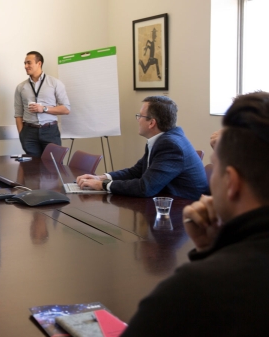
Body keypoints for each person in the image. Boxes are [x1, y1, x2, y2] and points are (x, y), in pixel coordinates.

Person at [120, 91, 269, 336]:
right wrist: (211, 251)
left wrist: (209, 262)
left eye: (214, 164)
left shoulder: (193, 289)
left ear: (231, 182)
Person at [76, 96, 208, 200]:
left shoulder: (171, 145)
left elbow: (145, 187)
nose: (138, 119)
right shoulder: (162, 140)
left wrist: (102, 186)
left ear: (152, 123)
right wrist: (101, 178)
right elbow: (136, 172)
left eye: (140, 116)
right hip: (166, 204)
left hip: (183, 212)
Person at [14, 51, 70, 157]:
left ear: (39, 63)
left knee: (54, 167)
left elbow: (66, 109)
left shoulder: (54, 83)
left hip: (50, 131)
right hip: (29, 133)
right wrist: (22, 134)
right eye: (25, 63)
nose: (26, 66)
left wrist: (44, 109)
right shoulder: (21, 87)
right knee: (32, 169)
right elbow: (18, 114)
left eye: (29, 63)